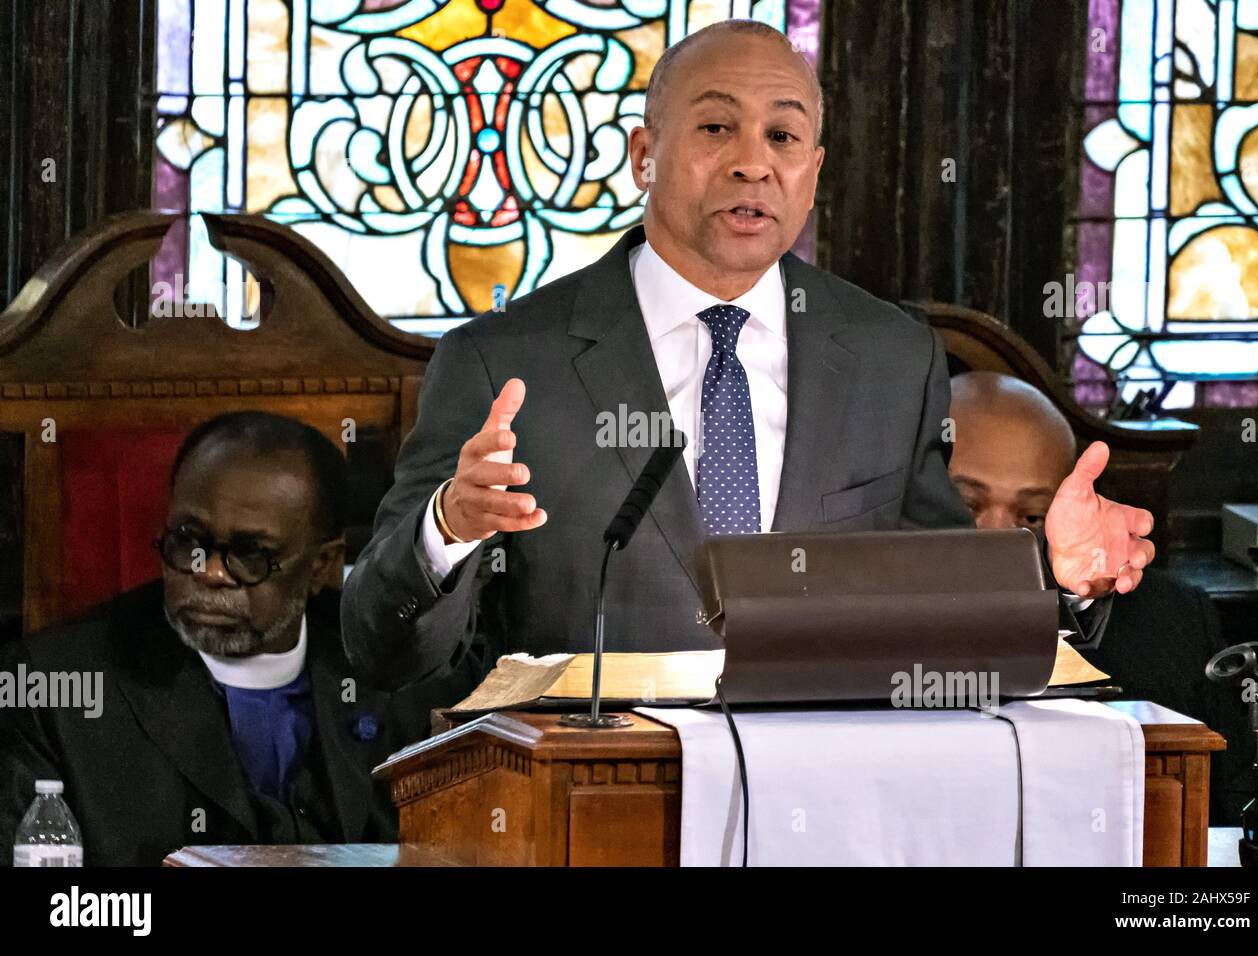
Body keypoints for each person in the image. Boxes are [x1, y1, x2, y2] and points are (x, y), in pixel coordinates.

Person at [340, 20, 1154, 692]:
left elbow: (938, 616)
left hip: (826, 804)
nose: (752, 161)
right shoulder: (503, 363)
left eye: (783, 135)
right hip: (588, 806)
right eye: (716, 126)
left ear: (813, 174)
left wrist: (1057, 576)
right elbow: (382, 651)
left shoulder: (889, 357)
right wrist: (446, 527)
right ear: (642, 155)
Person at [0, 412, 475, 865]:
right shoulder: (51, 690)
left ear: (322, 566)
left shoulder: (403, 676)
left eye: (250, 554)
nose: (207, 572)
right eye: (188, 540)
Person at [947, 371, 1251, 824]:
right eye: (966, 504)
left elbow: (1234, 811)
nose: (999, 535)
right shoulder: (854, 611)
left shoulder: (1172, 619)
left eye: (1032, 514)